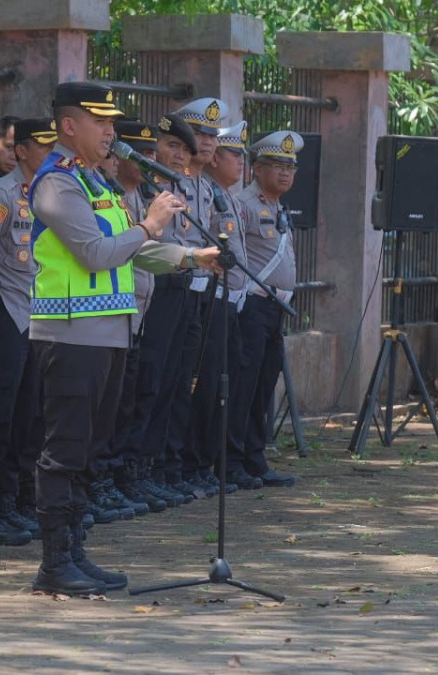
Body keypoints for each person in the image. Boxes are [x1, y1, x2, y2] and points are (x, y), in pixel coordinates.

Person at [28, 81, 219, 596]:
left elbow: (127, 250)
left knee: (90, 449)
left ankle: (76, 552)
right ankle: (53, 562)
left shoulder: (97, 183)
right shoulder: (57, 184)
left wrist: (188, 257)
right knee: (65, 450)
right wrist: (153, 226)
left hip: (110, 331)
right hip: (69, 334)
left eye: (113, 123)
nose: (111, 131)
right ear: (70, 126)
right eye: (100, 122)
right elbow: (94, 253)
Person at [0, 118, 58, 542]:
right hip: (5, 312)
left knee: (30, 417)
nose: (51, 151)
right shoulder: (1, 195)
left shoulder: (53, 190)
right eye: (43, 145)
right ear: (20, 150)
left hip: (41, 313)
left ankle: (16, 500)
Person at [119, 112, 202, 510]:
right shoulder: (135, 193)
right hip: (145, 296)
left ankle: (146, 469)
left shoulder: (163, 189)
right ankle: (127, 471)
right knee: (141, 386)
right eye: (168, 147)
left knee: (164, 385)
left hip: (169, 287)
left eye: (182, 150)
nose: (172, 156)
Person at [96, 119, 168, 515]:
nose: (146, 161)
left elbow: (140, 253)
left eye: (151, 153)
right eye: (137, 152)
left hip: (134, 311)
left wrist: (193, 258)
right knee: (106, 405)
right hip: (100, 315)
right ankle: (98, 479)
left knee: (126, 402)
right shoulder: (105, 196)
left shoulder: (133, 196)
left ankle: (118, 475)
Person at [227, 130, 302, 490]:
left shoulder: (278, 207)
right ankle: (232, 460)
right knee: (244, 385)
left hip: (274, 308)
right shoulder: (243, 204)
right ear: (256, 168)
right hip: (253, 305)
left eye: (290, 166)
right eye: (276, 165)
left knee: (263, 387)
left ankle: (255, 458)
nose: (285, 173)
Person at [171, 97, 231, 498]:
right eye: (200, 134)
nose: (207, 142)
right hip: (171, 285)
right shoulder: (170, 181)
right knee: (167, 383)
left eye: (212, 135)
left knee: (185, 384)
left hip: (199, 290)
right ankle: (161, 466)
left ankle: (177, 465)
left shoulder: (204, 186)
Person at [190, 121, 250, 495]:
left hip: (231, 301)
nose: (239, 162)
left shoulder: (224, 195)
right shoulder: (206, 192)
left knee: (227, 386)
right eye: (234, 154)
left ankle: (208, 463)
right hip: (209, 299)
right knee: (206, 387)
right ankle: (193, 463)